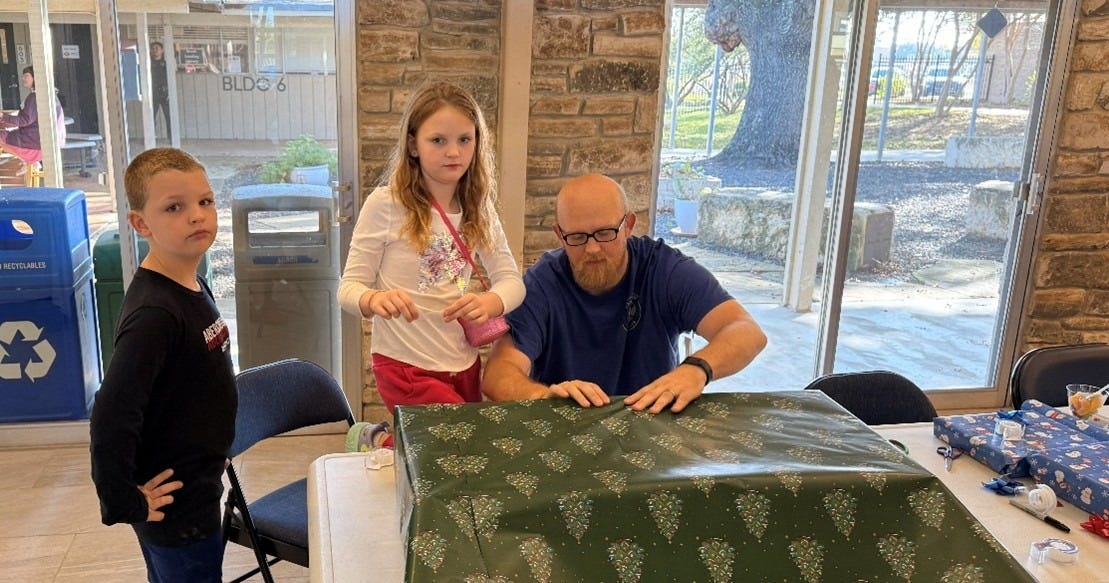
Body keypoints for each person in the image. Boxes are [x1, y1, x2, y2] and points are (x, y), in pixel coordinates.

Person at [482, 173, 767, 414]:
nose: (592, 249)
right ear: (559, 234)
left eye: (606, 233)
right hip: (567, 426)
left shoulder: (665, 270)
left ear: (628, 226)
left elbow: (747, 331)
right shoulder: (542, 282)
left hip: (651, 420)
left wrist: (696, 369)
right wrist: (544, 398)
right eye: (577, 237)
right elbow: (498, 373)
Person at [337, 81, 524, 419]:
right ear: (413, 145)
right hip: (404, 366)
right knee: (459, 446)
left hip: (464, 363)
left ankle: (384, 440)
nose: (453, 152)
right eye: (438, 140)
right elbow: (347, 289)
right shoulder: (386, 204)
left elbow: (511, 280)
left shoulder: (479, 207)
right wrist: (373, 299)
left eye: (464, 140)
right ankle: (389, 441)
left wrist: (490, 301)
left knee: (449, 460)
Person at [90, 148, 234, 583]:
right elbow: (111, 414)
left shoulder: (189, 280)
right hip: (176, 508)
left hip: (200, 486)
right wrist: (124, 501)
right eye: (175, 207)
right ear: (141, 224)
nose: (197, 216)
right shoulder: (155, 314)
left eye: (205, 202)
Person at [0, 66, 65, 171]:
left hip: (35, 144)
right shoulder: (49, 95)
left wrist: (3, 116)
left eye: (26, 76)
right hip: (51, 144)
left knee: (1, 136)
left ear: (36, 77)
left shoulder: (34, 97)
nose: (23, 79)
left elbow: (24, 121)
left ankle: (28, 160)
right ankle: (30, 161)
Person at [150, 42, 171, 142]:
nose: (155, 50)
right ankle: (151, 138)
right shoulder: (148, 63)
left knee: (169, 116)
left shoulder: (166, 63)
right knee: (151, 116)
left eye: (157, 48)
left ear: (162, 50)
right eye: (153, 48)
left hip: (165, 93)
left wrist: (168, 92)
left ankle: (171, 137)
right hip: (153, 93)